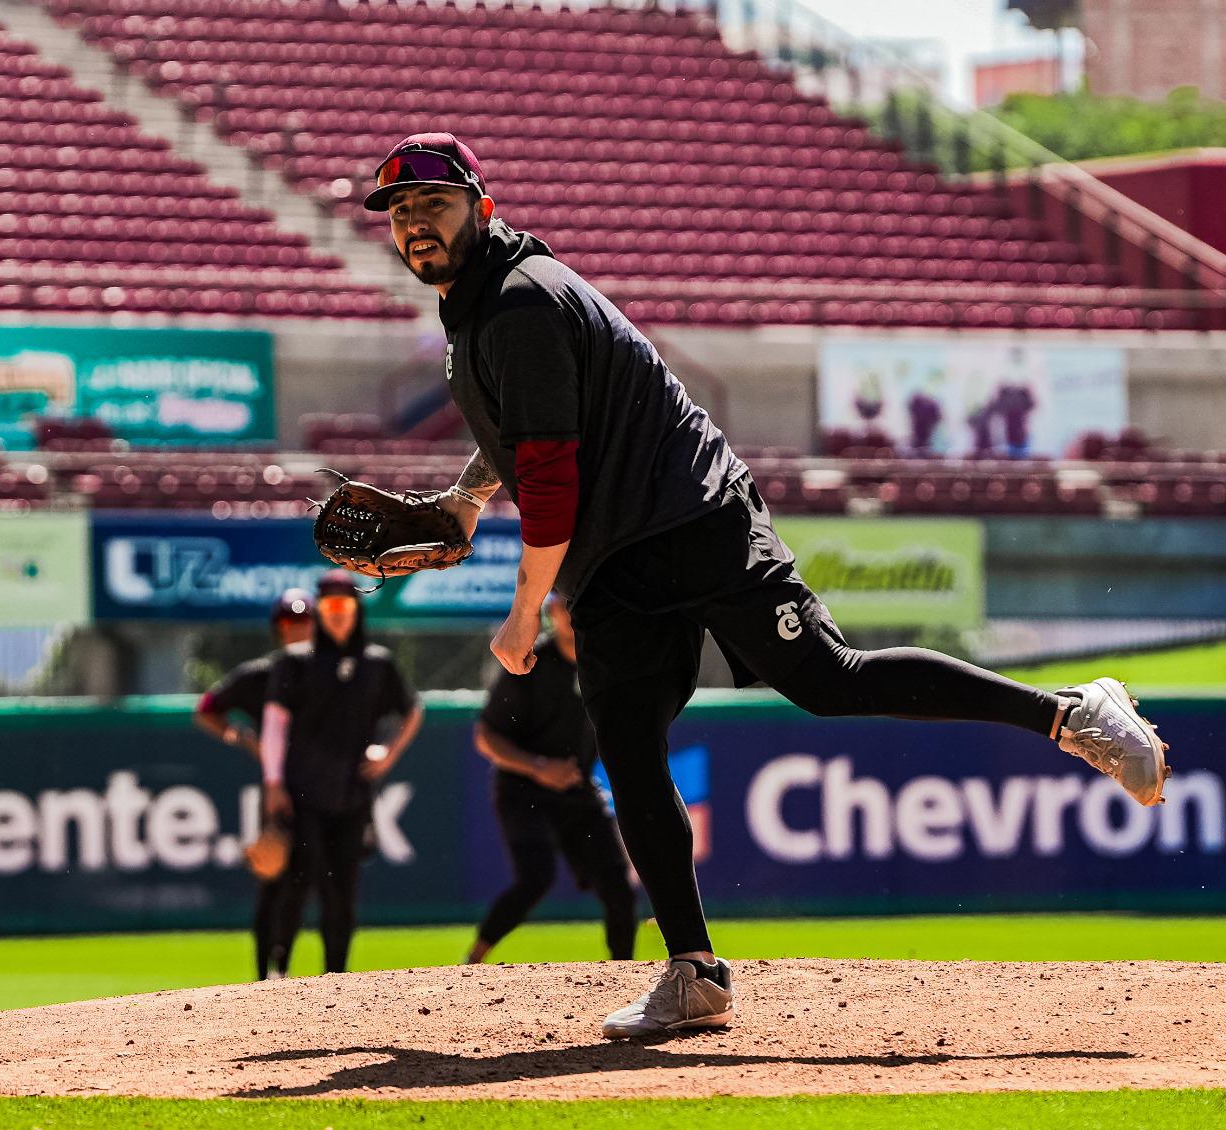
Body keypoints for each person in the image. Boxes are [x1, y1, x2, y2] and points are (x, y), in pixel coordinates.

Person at [363, 133, 1171, 1038]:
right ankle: (695, 974)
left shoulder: (517, 302)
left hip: (692, 517)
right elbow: (522, 425)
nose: (415, 224)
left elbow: (549, 477)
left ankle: (1074, 712)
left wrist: (522, 613)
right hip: (617, 559)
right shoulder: (480, 311)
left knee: (831, 681)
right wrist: (468, 501)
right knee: (626, 744)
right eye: (399, 212)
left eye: (433, 204)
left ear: (483, 205)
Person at [260, 570, 422, 975]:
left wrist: (388, 754)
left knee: (343, 891)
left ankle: (337, 977)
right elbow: (275, 727)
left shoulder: (377, 664)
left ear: (356, 610)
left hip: (353, 794)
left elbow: (412, 710)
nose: (336, 614)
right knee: (297, 883)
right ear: (319, 612)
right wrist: (274, 783)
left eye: (344, 606)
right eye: (329, 607)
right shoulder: (295, 663)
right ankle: (279, 968)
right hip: (302, 794)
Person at [467, 591, 636, 965]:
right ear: (550, 614)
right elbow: (486, 736)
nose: (568, 614)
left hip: (576, 791)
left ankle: (626, 974)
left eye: (574, 604)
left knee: (618, 885)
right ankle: (472, 964)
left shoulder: (604, 659)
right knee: (535, 878)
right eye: (560, 607)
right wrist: (539, 766)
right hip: (522, 789)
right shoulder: (528, 662)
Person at [193, 588, 314, 980]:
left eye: (304, 621)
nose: (297, 628)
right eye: (289, 622)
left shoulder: (328, 673)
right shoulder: (261, 674)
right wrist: (240, 737)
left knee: (303, 882)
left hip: (319, 789)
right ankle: (264, 976)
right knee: (273, 876)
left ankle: (283, 965)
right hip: (276, 791)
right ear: (279, 628)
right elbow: (207, 710)